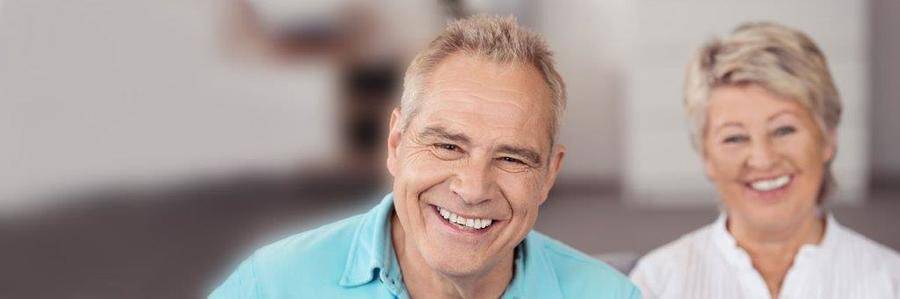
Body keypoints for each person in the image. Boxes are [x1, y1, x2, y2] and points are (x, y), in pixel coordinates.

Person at [210, 15, 640, 299]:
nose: (472, 190)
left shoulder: (611, 295)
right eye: (447, 146)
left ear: (549, 174)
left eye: (512, 159)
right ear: (395, 143)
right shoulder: (273, 286)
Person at [629, 22, 900, 298]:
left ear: (828, 138)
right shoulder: (657, 282)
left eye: (784, 130)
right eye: (735, 137)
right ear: (706, 155)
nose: (762, 159)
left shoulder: (891, 281)